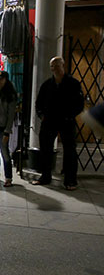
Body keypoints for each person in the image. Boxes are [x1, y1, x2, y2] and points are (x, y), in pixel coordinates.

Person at [32, 56, 84, 190]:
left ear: (63, 66)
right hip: (49, 121)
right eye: (52, 66)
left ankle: (70, 180)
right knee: (45, 149)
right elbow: (39, 103)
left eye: (57, 65)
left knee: (70, 151)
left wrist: (69, 116)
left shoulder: (73, 83)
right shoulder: (47, 85)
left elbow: (79, 104)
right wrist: (41, 115)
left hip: (66, 121)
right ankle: (45, 176)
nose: (55, 68)